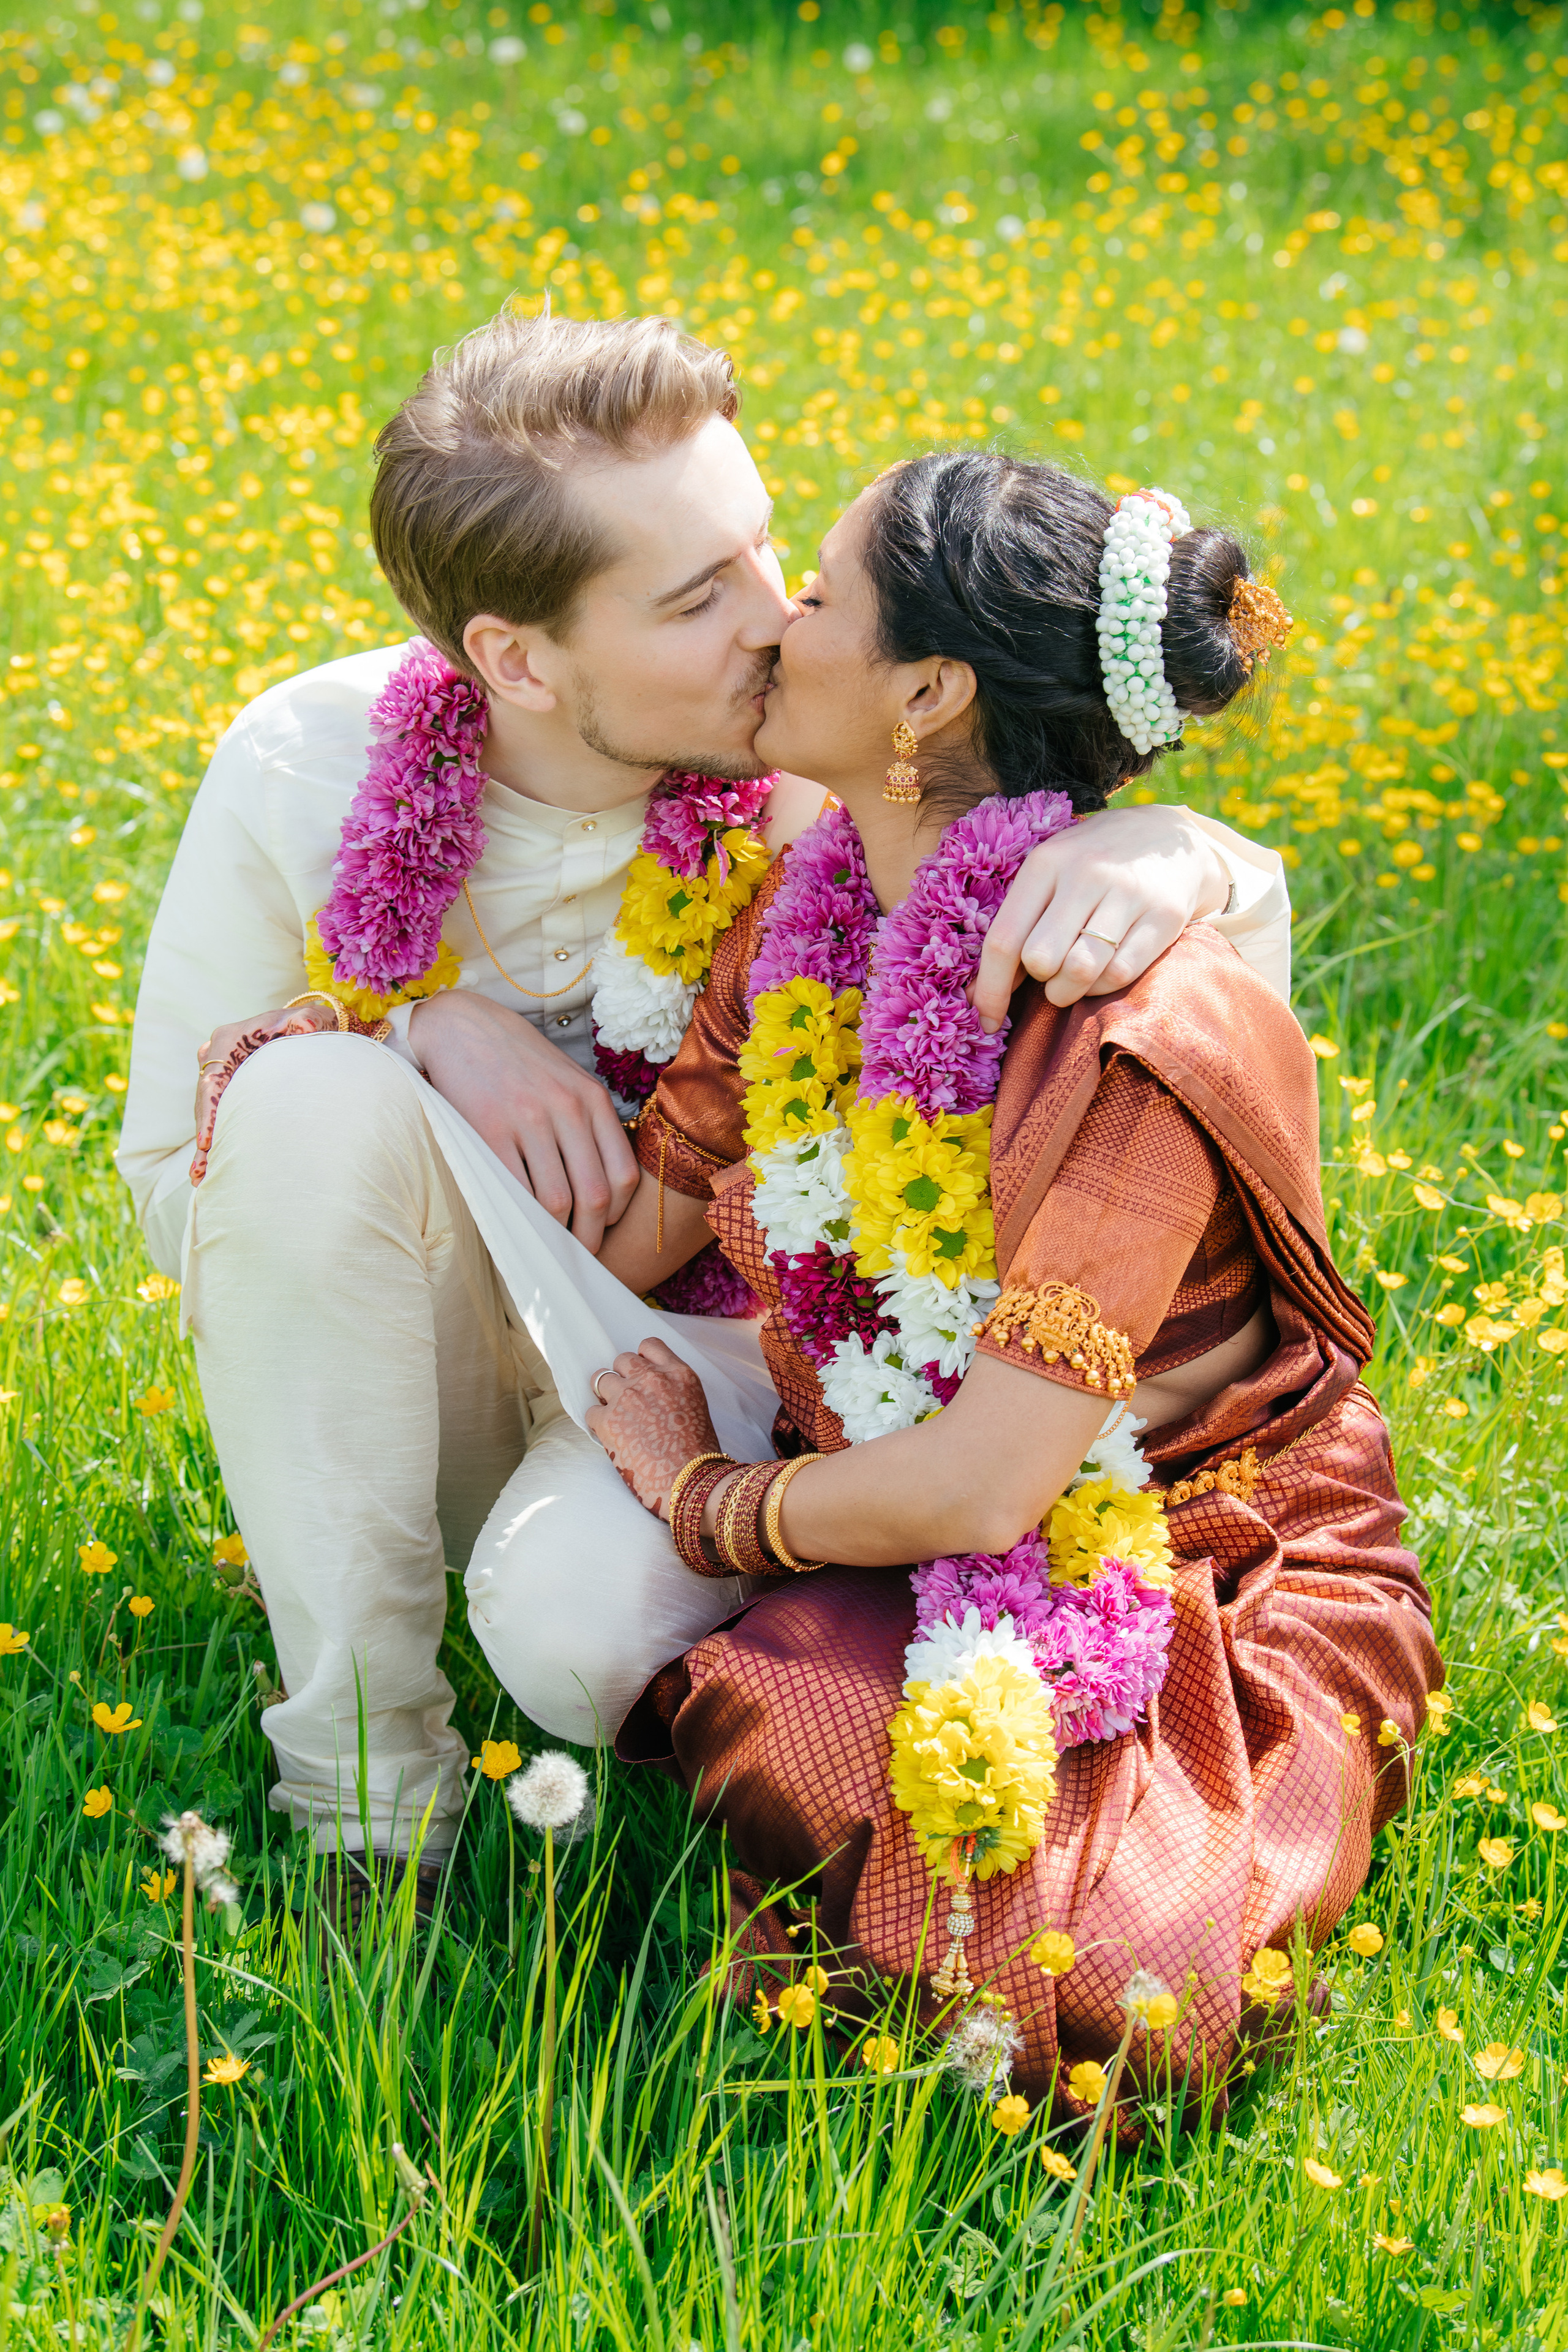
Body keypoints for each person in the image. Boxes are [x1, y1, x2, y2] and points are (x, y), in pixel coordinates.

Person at [118, 307, 1292, 1900]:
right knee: (305, 1095)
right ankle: (365, 1798)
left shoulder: (833, 752)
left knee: (576, 1629)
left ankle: (807, 1644)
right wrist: (412, 1031)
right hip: (427, 1358)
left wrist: (1181, 850)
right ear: (516, 659)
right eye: (696, 597)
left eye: (766, 547)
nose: (775, 619)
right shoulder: (302, 773)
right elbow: (186, 1187)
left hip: (750, 1370)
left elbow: (1112, 925)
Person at [576, 452, 1440, 2108]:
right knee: (792, 1709)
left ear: (926, 693)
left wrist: (703, 1501)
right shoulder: (804, 923)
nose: (773, 625)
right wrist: (385, 1059)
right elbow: (647, 1227)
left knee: (1131, 1993)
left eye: (815, 595)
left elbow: (986, 1486)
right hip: (926, 1501)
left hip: (1207, 1538)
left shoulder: (1135, 1031)